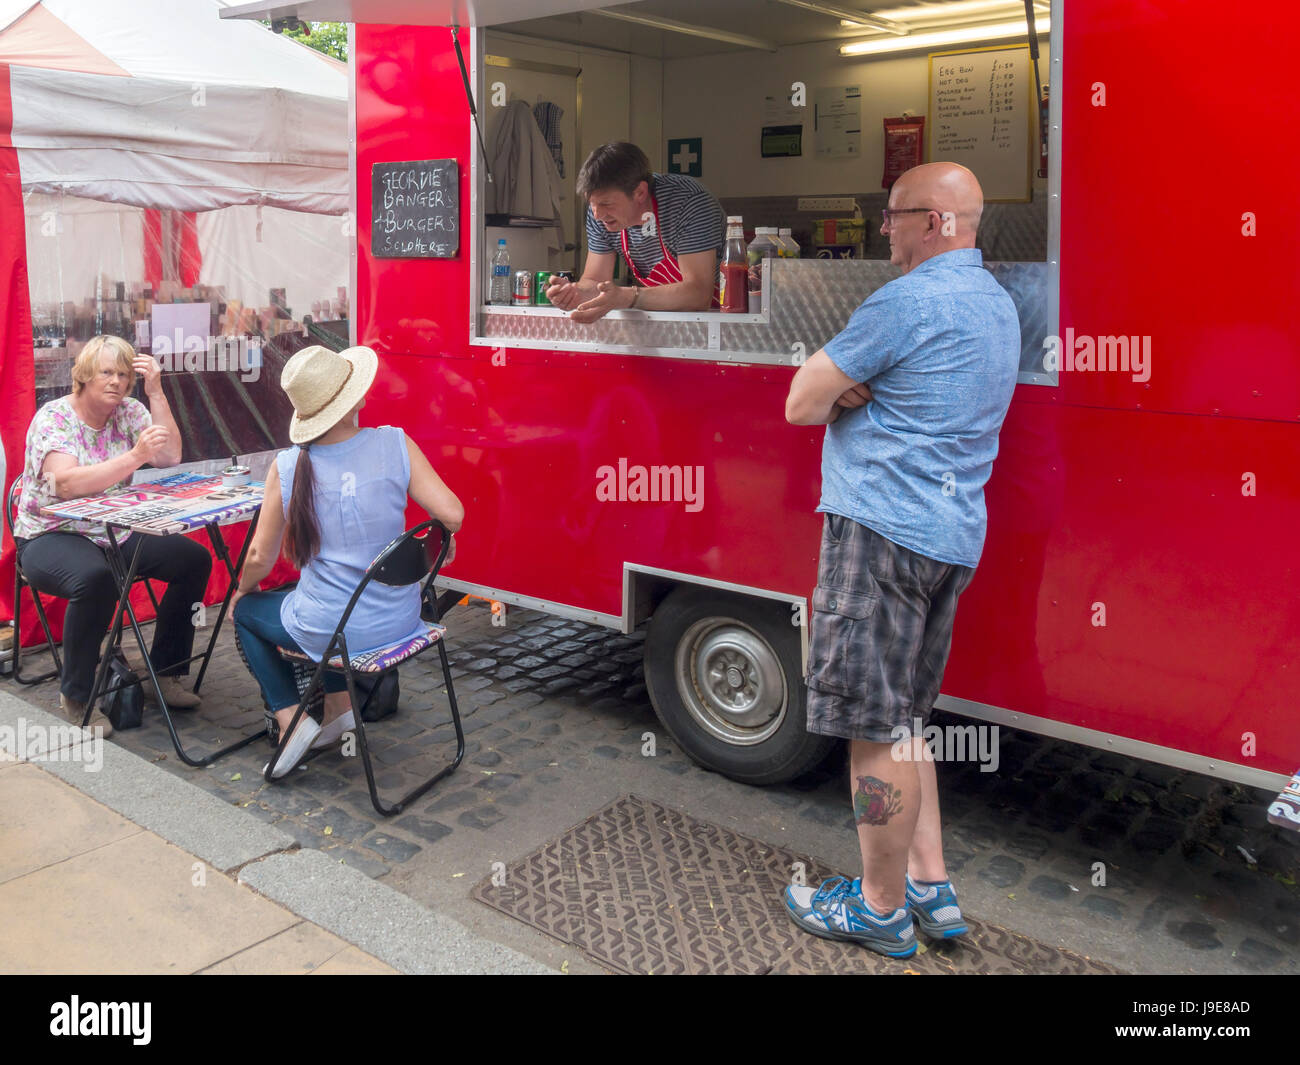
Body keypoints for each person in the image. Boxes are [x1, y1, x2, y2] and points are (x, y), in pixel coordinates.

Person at [781, 162, 1021, 957]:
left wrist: (850, 383)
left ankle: (880, 909)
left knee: (873, 733)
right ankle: (930, 887)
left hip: (880, 534)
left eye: (894, 215)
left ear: (939, 221)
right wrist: (862, 382)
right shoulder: (995, 301)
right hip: (952, 537)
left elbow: (801, 401)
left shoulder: (906, 301)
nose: (883, 228)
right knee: (908, 720)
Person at [230, 344, 464, 777]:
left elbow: (259, 558)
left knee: (247, 612)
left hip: (336, 634)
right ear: (354, 399)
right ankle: (339, 709)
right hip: (403, 621)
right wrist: (436, 543)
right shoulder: (395, 442)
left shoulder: (286, 466)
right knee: (320, 605)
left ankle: (291, 719)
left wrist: (241, 590)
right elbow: (452, 514)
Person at [13, 335, 210, 735]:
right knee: (94, 579)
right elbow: (65, 484)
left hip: (114, 530)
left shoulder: (131, 411)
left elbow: (170, 455)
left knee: (194, 559)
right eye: (106, 372)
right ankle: (78, 694)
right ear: (84, 375)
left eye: (123, 374)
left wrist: (155, 391)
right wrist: (134, 456)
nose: (116, 382)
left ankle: (166, 672)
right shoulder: (55, 417)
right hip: (50, 534)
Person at [545, 142, 725, 323]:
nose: (597, 215)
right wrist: (577, 292)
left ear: (640, 192)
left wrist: (628, 297)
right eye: (592, 204)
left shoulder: (689, 202)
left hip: (721, 317)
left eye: (606, 204)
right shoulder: (599, 213)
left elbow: (698, 295)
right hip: (663, 317)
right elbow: (595, 279)